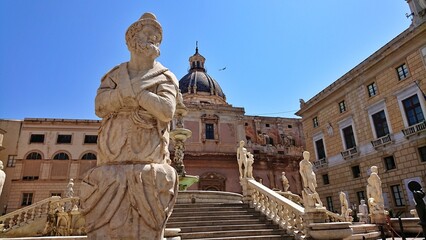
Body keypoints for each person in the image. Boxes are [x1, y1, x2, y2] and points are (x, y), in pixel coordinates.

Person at [80, 12, 178, 240]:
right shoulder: (114, 75)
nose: (153, 37)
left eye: (157, 35)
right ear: (132, 39)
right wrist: (138, 96)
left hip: (147, 152)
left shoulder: (165, 77)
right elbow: (99, 106)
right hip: (112, 153)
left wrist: (133, 94)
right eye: (147, 32)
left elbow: (166, 111)